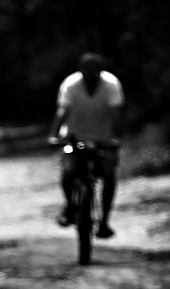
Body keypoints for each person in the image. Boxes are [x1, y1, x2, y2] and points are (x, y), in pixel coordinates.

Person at [48, 52, 125, 239]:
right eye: (87, 73)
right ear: (80, 71)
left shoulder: (111, 84)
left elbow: (116, 113)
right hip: (72, 139)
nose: (91, 78)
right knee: (68, 170)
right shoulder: (70, 85)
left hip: (103, 139)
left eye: (95, 73)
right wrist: (53, 136)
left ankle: (104, 221)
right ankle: (70, 207)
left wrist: (116, 138)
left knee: (109, 174)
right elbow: (62, 111)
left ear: (101, 71)